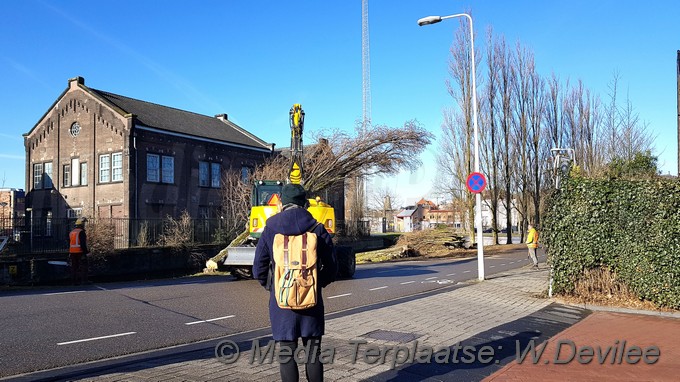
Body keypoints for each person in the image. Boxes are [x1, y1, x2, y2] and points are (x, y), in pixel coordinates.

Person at [253, 183, 337, 382]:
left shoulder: (270, 229)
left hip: (282, 302)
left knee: (286, 354)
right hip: (311, 301)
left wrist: (273, 287)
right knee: (313, 353)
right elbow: (333, 267)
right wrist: (316, 285)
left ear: (282, 202)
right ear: (304, 203)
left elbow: (258, 268)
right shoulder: (317, 228)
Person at [69, 217, 89, 284]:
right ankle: (84, 281)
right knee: (84, 267)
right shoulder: (81, 232)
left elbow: (70, 242)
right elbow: (83, 244)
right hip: (80, 252)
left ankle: (74, 281)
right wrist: (86, 252)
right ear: (82, 224)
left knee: (74, 267)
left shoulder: (72, 232)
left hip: (72, 252)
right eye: (84, 224)